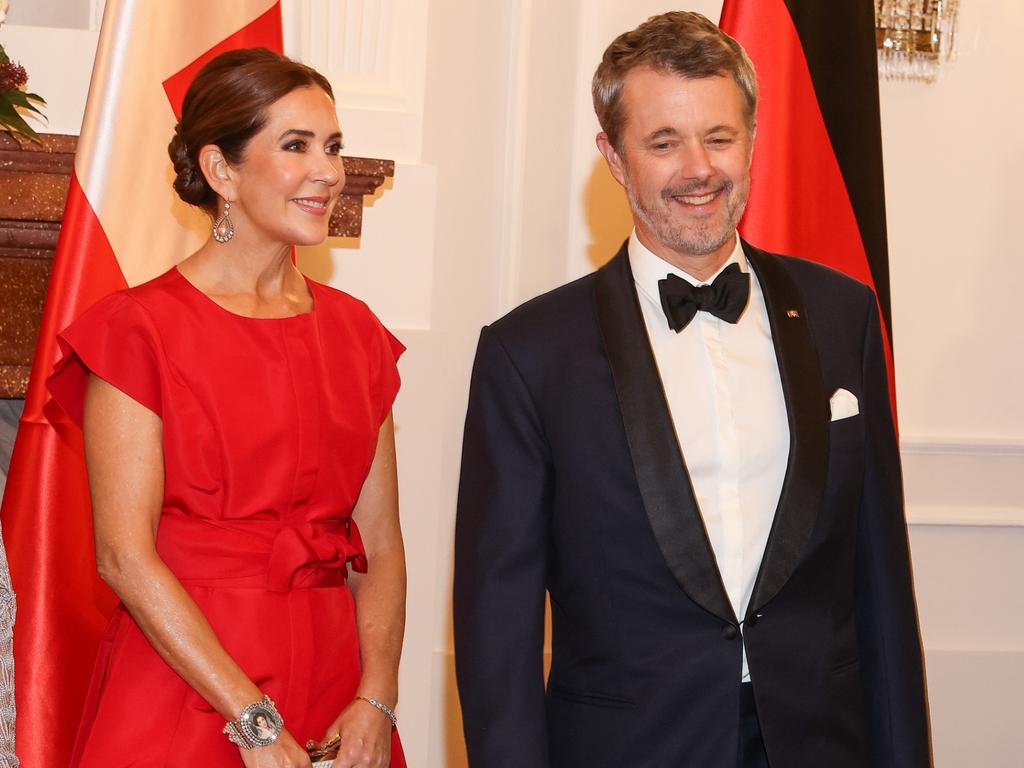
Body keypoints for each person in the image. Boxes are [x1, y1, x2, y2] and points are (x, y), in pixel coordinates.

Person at [453, 12, 930, 768]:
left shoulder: (845, 315)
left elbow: (882, 585)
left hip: (821, 743)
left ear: (752, 139)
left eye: (719, 136)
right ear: (613, 157)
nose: (698, 169)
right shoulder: (528, 355)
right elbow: (498, 631)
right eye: (663, 142)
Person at [47, 48, 407, 768]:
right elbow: (123, 556)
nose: (330, 171)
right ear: (221, 172)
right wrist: (252, 721)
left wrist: (377, 697)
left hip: (338, 693)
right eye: (296, 146)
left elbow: (383, 547)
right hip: (188, 688)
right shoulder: (136, 329)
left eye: (333, 147)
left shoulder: (358, 333)